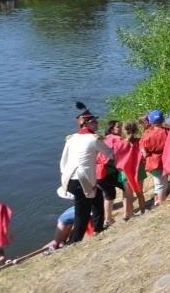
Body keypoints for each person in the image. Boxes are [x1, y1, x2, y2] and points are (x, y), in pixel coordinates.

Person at [60, 102, 115, 242]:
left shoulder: (71, 139)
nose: (97, 123)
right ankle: (76, 241)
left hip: (71, 179)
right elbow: (111, 154)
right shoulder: (93, 139)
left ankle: (98, 228)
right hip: (82, 181)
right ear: (86, 124)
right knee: (82, 212)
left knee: (97, 200)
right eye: (94, 122)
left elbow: (63, 162)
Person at [108, 120, 146, 218]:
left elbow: (116, 158)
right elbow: (144, 154)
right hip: (139, 171)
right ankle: (143, 212)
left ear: (124, 131)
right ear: (136, 130)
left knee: (129, 197)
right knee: (140, 193)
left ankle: (131, 214)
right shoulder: (140, 141)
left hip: (125, 172)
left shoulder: (119, 144)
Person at [95, 121, 124, 228]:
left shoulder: (104, 139)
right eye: (118, 127)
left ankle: (108, 219)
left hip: (98, 174)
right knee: (126, 187)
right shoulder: (117, 139)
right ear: (112, 129)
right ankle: (127, 212)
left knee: (109, 195)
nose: (120, 128)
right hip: (108, 172)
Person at [140, 110, 169, 206]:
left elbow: (144, 153)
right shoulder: (168, 132)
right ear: (163, 120)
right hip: (166, 160)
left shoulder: (146, 136)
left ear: (150, 122)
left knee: (159, 184)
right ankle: (160, 201)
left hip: (154, 163)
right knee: (165, 182)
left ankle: (159, 202)